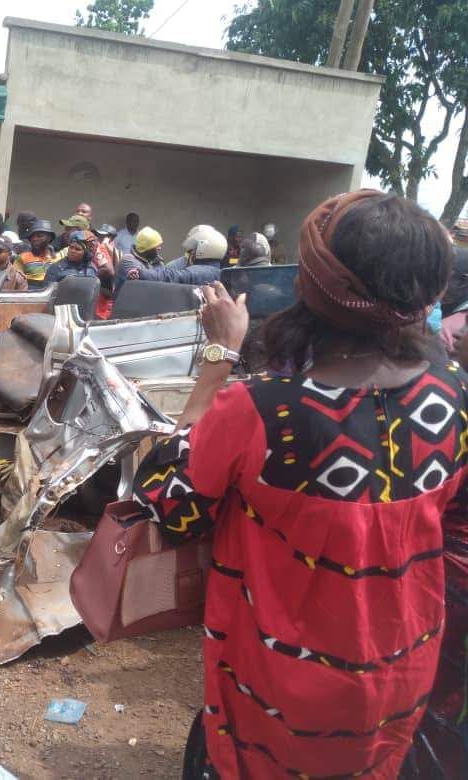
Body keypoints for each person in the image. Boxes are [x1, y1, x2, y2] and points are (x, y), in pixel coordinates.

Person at [134, 190, 463, 779]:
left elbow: (168, 501)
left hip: (275, 693)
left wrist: (219, 353)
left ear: (310, 287)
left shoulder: (260, 410)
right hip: (401, 677)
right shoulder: (454, 394)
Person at [126, 225, 227, 288]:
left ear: (203, 248)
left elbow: (172, 277)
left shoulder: (198, 272)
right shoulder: (220, 272)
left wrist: (141, 273)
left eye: (193, 250)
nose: (191, 253)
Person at [15, 219, 56, 291]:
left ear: (49, 238)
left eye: (39, 236)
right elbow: (15, 281)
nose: (34, 239)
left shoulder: (58, 258)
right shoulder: (22, 257)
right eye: (32, 236)